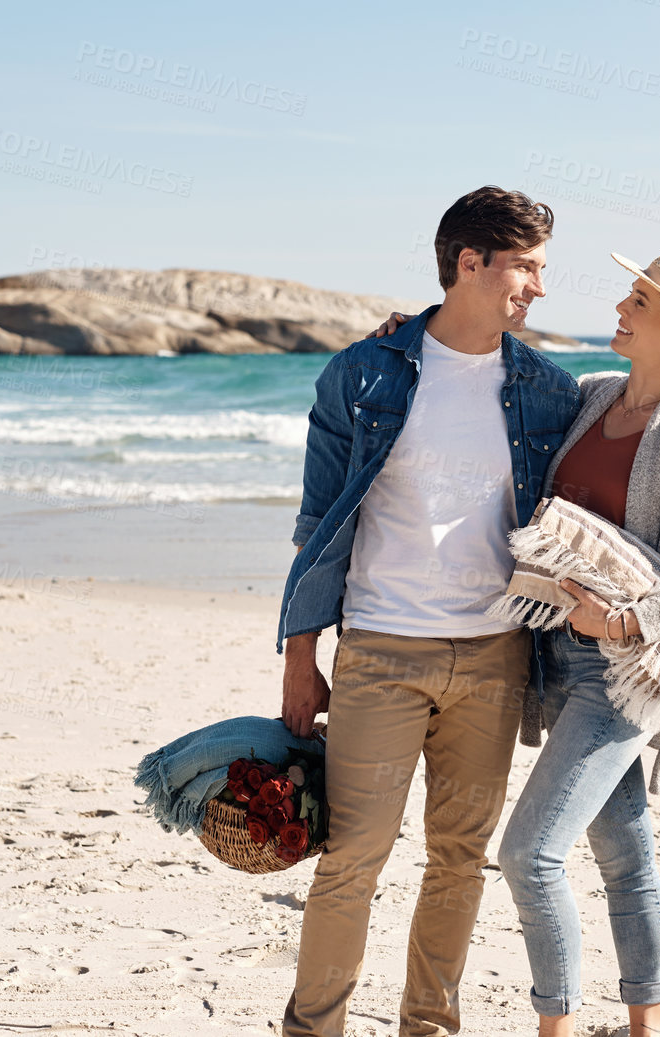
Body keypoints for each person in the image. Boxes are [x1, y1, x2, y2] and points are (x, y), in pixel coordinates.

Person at [374, 246, 660, 1037]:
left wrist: (623, 622)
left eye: (640, 301)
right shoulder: (591, 395)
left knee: (528, 853)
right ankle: (646, 1022)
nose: (620, 305)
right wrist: (421, 336)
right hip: (553, 655)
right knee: (622, 850)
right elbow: (496, 370)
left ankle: (556, 1027)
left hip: (623, 672)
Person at [275, 186, 582, 1037]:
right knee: (351, 860)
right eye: (526, 267)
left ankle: (428, 1027)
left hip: (494, 655)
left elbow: (636, 423)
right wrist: (300, 658)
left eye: (541, 268)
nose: (539, 287)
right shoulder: (362, 373)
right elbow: (315, 522)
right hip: (380, 650)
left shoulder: (549, 391)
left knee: (459, 863)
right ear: (469, 263)